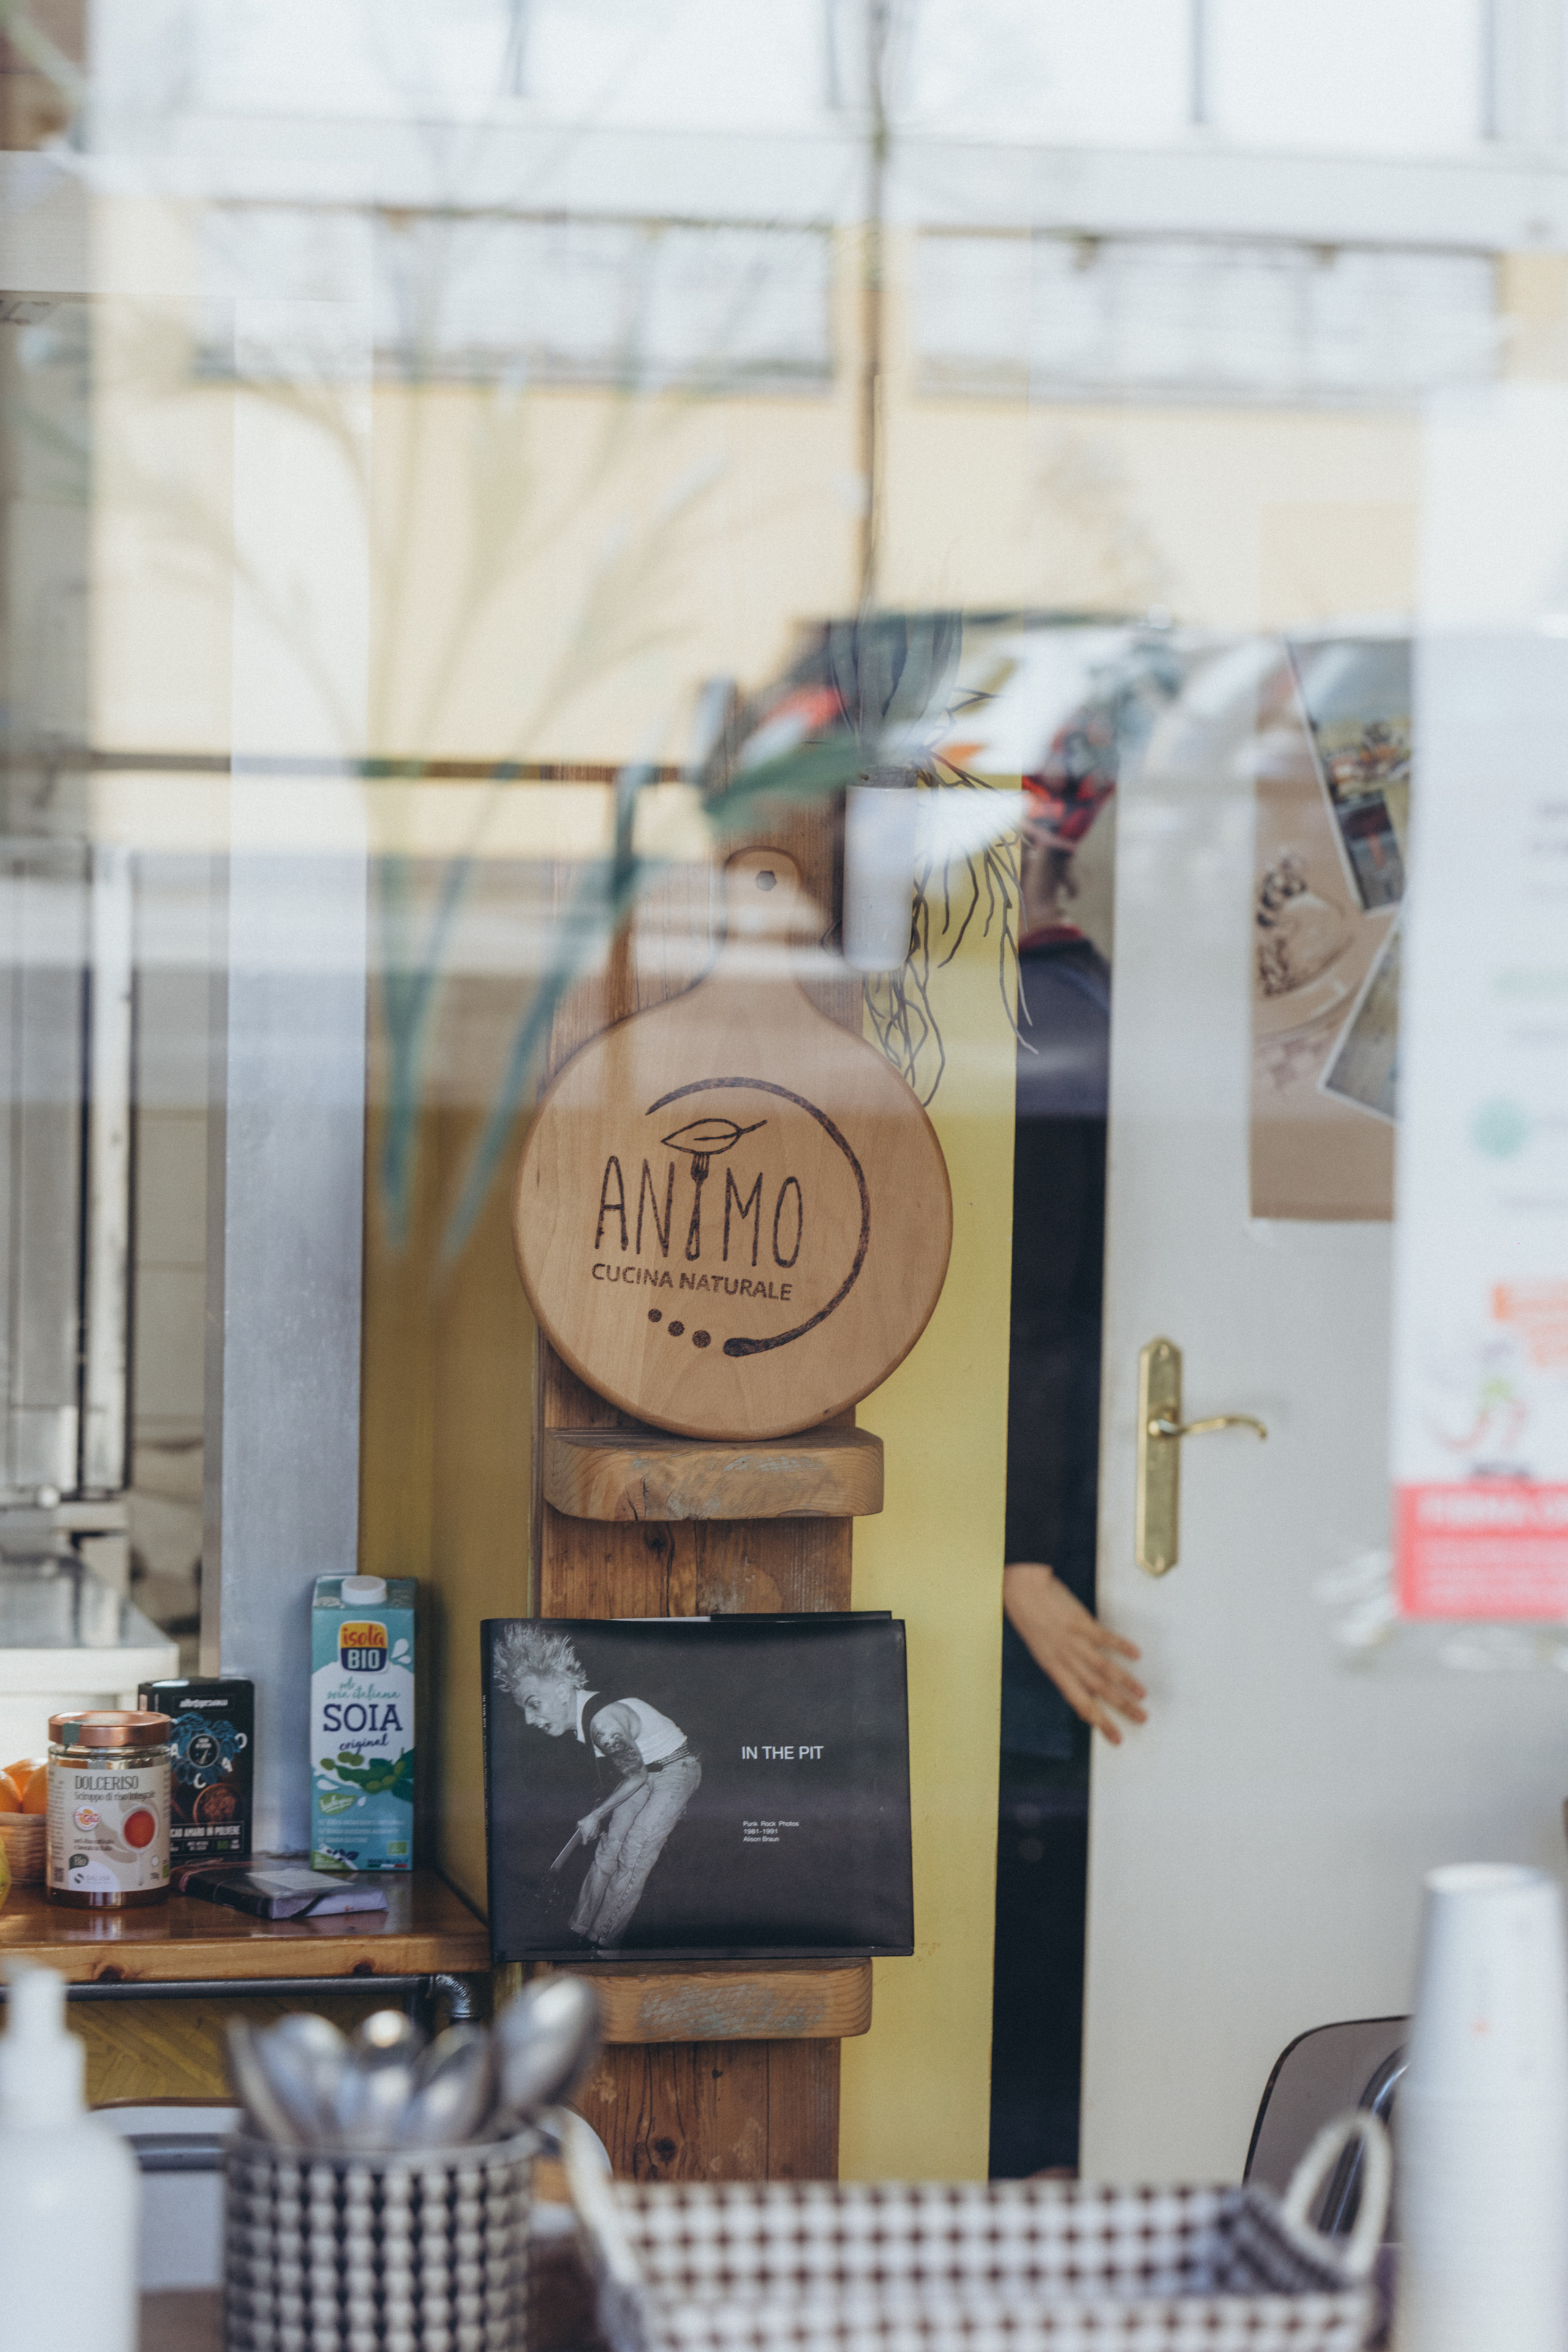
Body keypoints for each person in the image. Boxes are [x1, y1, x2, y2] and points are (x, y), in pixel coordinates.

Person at [495, 1624, 701, 1952]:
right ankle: (579, 1929)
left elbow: (635, 1776)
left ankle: (603, 1944)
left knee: (634, 1853)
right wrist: (598, 1815)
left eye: (533, 1704)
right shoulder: (588, 1711)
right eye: (524, 1709)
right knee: (609, 1848)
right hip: (644, 1771)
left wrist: (595, 1815)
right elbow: (634, 1771)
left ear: (563, 1691)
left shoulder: (602, 1724)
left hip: (676, 1770)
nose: (530, 1720)